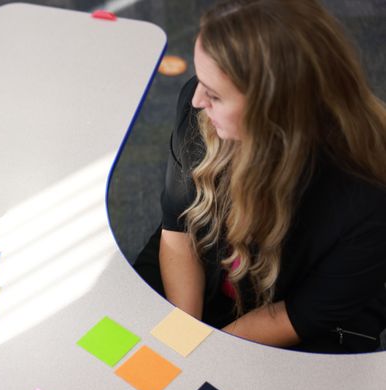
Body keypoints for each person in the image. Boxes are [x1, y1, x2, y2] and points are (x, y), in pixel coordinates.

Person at [133, 0, 386, 353]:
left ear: (274, 111)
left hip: (293, 307)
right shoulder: (203, 111)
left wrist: (208, 354)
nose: (196, 100)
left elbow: (297, 315)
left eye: (216, 95)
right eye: (202, 80)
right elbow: (178, 232)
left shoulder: (369, 194)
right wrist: (184, 337)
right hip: (206, 267)